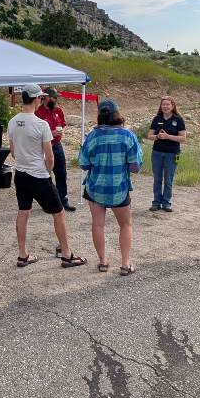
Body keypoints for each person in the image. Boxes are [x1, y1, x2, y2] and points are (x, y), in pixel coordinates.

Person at [7, 83, 86, 268]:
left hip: (21, 173)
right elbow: (49, 157)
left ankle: (22, 254)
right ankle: (66, 255)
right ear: (37, 99)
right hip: (39, 175)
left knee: (23, 212)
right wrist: (47, 172)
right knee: (59, 213)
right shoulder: (41, 125)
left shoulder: (12, 121)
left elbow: (13, 152)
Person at [78, 99, 142, 275]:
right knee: (126, 225)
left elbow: (83, 164)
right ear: (117, 114)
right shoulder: (128, 136)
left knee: (98, 225)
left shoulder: (92, 136)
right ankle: (125, 264)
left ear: (99, 115)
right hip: (119, 189)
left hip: (95, 188)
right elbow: (135, 167)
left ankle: (103, 262)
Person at [36, 87, 76, 212]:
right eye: (54, 97)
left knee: (61, 173)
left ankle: (62, 200)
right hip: (44, 147)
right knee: (44, 174)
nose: (56, 99)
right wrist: (50, 134)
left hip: (57, 146)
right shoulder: (38, 112)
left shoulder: (58, 110)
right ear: (47, 97)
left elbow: (63, 123)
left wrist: (62, 130)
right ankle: (46, 201)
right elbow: (35, 131)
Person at [147, 95, 185, 212]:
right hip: (157, 152)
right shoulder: (157, 119)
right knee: (157, 179)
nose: (165, 106)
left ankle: (166, 202)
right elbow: (149, 136)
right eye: (163, 104)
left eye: (168, 104)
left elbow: (182, 138)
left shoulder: (178, 120)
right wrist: (158, 136)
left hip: (172, 153)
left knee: (168, 179)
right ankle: (156, 202)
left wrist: (168, 136)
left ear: (172, 106)